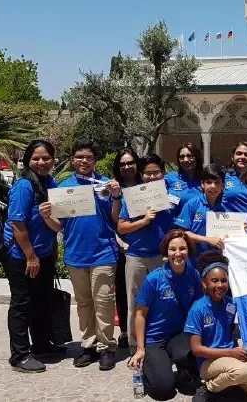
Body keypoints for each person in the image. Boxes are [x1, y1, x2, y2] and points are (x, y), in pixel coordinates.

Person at [57, 140, 121, 370]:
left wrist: (116, 197)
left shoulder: (105, 185)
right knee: (84, 303)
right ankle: (88, 345)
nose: (84, 161)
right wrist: (46, 215)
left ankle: (107, 348)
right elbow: (58, 224)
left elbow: (115, 218)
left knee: (103, 302)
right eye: (79, 157)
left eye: (88, 157)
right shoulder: (63, 187)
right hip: (75, 253)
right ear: (73, 159)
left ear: (95, 160)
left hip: (103, 252)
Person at [2, 139, 63, 373]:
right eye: (36, 158)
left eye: (46, 158)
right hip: (22, 256)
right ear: (27, 161)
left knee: (41, 301)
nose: (41, 162)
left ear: (53, 161)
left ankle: (40, 345)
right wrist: (30, 256)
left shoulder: (51, 182)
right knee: (21, 304)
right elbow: (17, 224)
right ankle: (19, 355)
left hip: (44, 254)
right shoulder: (24, 186)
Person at [186, 251, 247, 402]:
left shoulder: (231, 303)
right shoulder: (197, 309)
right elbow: (196, 349)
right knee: (241, 371)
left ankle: (231, 386)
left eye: (223, 280)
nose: (220, 285)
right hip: (209, 362)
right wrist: (231, 352)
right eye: (214, 281)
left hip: (232, 359)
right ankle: (209, 388)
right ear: (204, 283)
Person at [128, 229, 202, 401]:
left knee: (191, 383)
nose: (178, 254)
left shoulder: (193, 275)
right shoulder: (154, 279)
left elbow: (199, 307)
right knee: (163, 390)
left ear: (189, 251)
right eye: (172, 249)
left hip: (179, 334)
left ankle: (181, 368)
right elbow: (140, 314)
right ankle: (154, 366)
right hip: (155, 338)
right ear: (166, 252)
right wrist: (140, 349)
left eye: (182, 249)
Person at [114, 154, 174, 353]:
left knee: (163, 300)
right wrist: (144, 221)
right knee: (135, 302)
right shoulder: (133, 196)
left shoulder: (171, 197)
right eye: (147, 173)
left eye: (156, 172)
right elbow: (121, 227)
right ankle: (134, 344)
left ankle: (160, 341)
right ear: (142, 175)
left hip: (162, 257)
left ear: (163, 174)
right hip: (136, 256)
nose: (152, 176)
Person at [111, 147, 141, 348]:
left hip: (141, 244)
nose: (127, 167)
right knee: (122, 289)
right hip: (120, 243)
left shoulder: (145, 186)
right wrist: (118, 239)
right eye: (123, 164)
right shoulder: (112, 188)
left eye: (130, 162)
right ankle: (124, 330)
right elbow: (110, 218)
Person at [174, 165, 229, 260]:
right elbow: (182, 232)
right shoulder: (192, 204)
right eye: (209, 182)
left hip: (216, 259)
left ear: (222, 186)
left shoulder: (224, 208)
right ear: (202, 184)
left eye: (217, 183)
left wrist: (241, 228)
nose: (213, 186)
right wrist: (207, 240)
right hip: (194, 259)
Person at [166, 142, 204, 220]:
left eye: (189, 156)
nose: (185, 160)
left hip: (196, 228)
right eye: (182, 157)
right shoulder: (170, 178)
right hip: (173, 228)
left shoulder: (205, 180)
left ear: (197, 158)